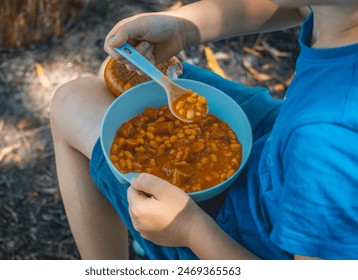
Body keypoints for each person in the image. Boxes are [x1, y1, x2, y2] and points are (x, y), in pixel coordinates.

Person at [50, 0, 358, 260]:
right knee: (126, 74)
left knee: (71, 102)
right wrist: (184, 26)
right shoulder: (340, 17)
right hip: (276, 147)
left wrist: (189, 229)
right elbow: (301, 8)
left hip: (240, 238)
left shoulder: (325, 137)